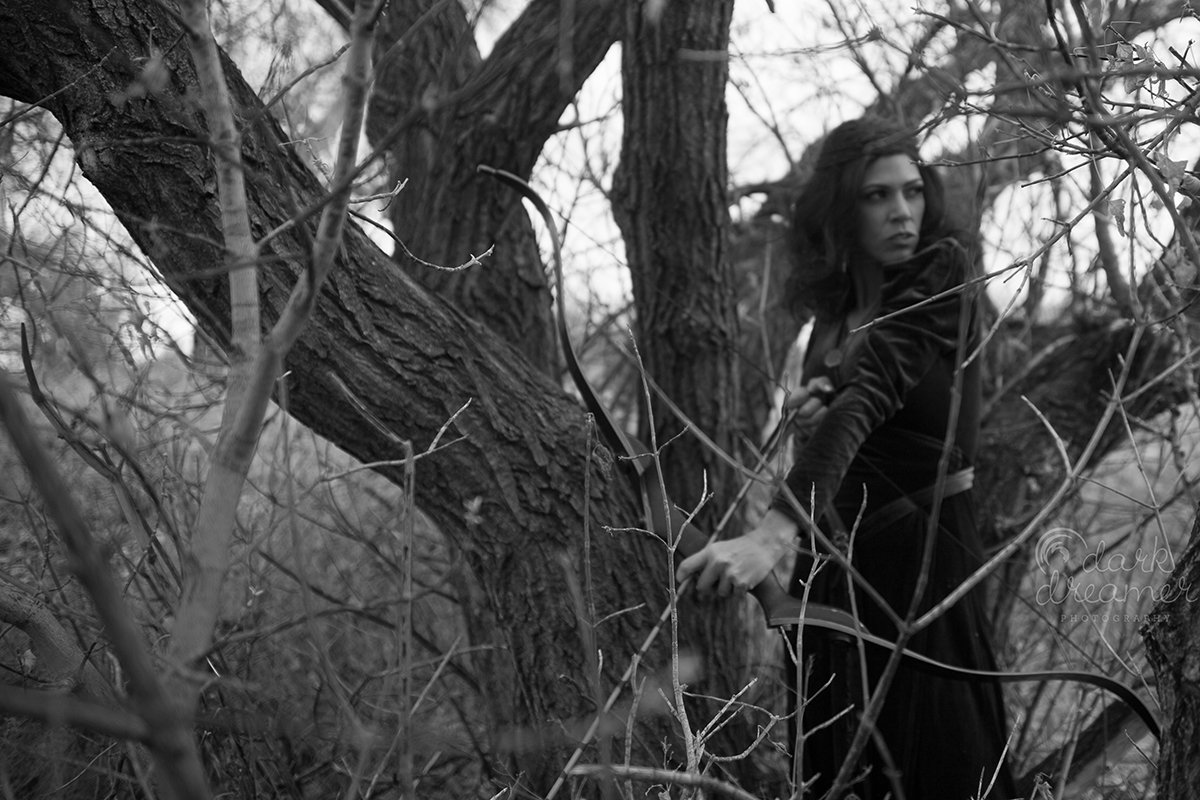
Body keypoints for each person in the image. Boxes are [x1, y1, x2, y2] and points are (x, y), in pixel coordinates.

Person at [677, 117, 1016, 799]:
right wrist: (816, 407)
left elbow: (870, 398)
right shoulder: (832, 316)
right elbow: (850, 411)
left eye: (912, 191)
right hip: (833, 572)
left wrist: (771, 535)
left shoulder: (943, 275)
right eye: (876, 196)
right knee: (838, 768)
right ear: (839, 208)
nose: (902, 212)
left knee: (939, 765)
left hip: (921, 560)